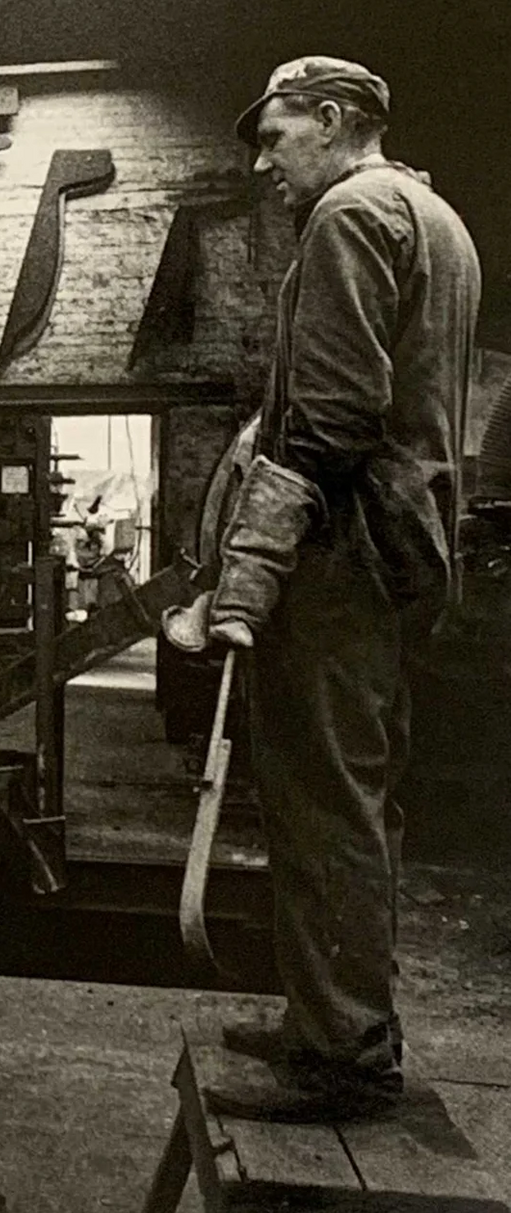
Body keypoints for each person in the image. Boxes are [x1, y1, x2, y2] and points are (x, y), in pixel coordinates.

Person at [174, 57, 481, 1121]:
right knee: (350, 795)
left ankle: (344, 1055)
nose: (261, 161)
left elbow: (328, 424)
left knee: (324, 805)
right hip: (397, 553)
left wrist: (243, 586)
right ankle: (321, 1016)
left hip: (340, 557)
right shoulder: (433, 216)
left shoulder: (350, 216)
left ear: (335, 120)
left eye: (275, 134)